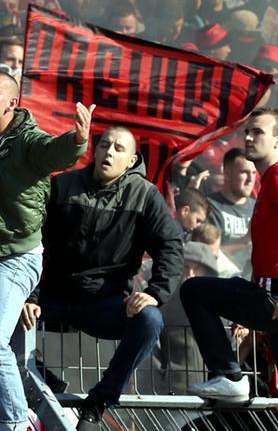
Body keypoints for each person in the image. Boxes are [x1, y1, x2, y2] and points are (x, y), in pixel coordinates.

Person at [180, 109, 278, 431]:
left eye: (257, 132)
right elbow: (275, 249)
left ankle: (229, 377)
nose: (248, 137)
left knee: (194, 290)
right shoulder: (275, 178)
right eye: (247, 131)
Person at [24, 126, 178, 429]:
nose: (109, 152)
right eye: (104, 145)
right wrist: (29, 295)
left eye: (119, 148)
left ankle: (99, 402)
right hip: (51, 296)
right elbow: (34, 242)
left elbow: (170, 245)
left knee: (150, 321)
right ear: (94, 150)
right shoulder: (63, 185)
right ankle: (44, 380)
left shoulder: (145, 195)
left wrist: (155, 293)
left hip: (105, 302)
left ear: (132, 160)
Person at [0, 73, 90, 430]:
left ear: (11, 103)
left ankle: (18, 422)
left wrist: (78, 139)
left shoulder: (25, 141)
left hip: (16, 257)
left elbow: (56, 151)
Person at [206, 148, 257, 272]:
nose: (251, 179)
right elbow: (206, 254)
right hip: (220, 281)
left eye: (254, 173)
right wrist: (245, 241)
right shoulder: (209, 207)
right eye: (244, 172)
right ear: (227, 174)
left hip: (253, 283)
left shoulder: (259, 207)